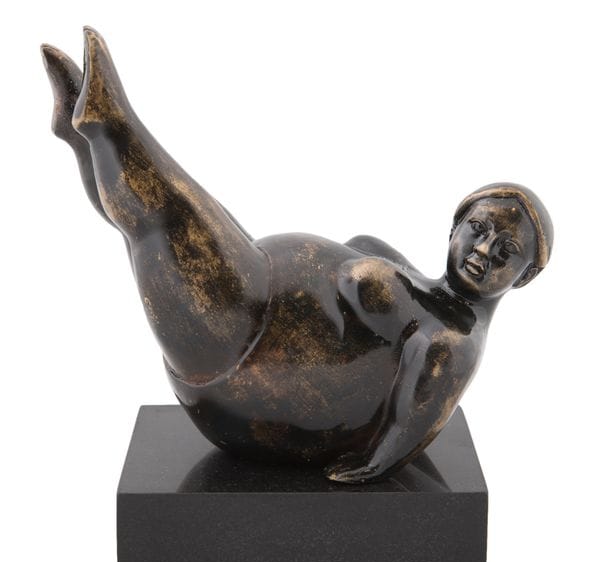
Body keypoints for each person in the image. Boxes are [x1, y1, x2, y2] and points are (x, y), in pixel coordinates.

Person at [42, 28, 553, 483]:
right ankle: (86, 133)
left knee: (161, 222)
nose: (483, 250)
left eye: (506, 251)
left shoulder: (453, 339)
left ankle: (106, 121)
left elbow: (414, 418)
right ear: (455, 226)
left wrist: (375, 466)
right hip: (254, 293)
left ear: (525, 276)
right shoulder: (424, 288)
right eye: (478, 229)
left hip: (246, 362)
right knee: (150, 225)